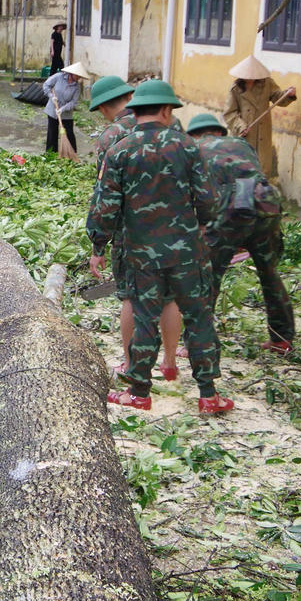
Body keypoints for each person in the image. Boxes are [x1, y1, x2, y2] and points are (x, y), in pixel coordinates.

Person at [87, 80, 233, 415]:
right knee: (199, 319)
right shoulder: (187, 146)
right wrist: (205, 226)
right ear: (167, 111)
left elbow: (105, 205)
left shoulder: (119, 149)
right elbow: (209, 200)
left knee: (144, 318)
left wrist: (98, 244)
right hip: (188, 253)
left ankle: (140, 392)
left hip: (141, 253)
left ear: (135, 110)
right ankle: (209, 394)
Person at [90, 75, 183, 381]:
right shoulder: (175, 130)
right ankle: (169, 363)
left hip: (131, 233)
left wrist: (98, 244)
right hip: (174, 229)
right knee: (169, 298)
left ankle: (130, 364)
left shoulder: (112, 138)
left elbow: (106, 195)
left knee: (130, 296)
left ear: (104, 107)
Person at [186, 113, 295, 354]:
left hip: (229, 208)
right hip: (266, 202)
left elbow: (196, 195)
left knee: (208, 276)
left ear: (194, 134)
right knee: (270, 274)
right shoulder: (242, 144)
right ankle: (282, 337)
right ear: (218, 131)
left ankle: (197, 342)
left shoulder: (195, 150)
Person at [223, 55, 296, 179]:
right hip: (245, 134)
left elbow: (278, 98)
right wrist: (240, 126)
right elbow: (229, 113)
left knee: (262, 168)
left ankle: (261, 193)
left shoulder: (267, 83)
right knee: (243, 167)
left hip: (262, 133)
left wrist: (287, 94)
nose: (250, 78)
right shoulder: (235, 89)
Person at [43, 61, 88, 153]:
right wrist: (52, 96)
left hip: (66, 113)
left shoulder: (77, 87)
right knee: (52, 134)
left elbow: (73, 102)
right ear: (72, 74)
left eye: (80, 76)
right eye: (78, 76)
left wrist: (62, 109)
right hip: (52, 109)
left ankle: (71, 153)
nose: (79, 78)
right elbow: (46, 85)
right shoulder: (58, 77)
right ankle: (51, 154)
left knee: (69, 133)